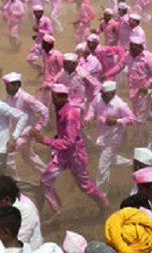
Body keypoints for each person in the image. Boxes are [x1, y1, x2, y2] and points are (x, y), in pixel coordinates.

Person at [31, 85, 108, 219]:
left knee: (85, 186)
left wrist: (45, 140)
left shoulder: (70, 114)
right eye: (52, 98)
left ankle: (103, 203)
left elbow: (69, 142)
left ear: (64, 98)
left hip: (75, 155)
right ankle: (57, 210)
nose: (53, 101)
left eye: (55, 99)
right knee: (45, 180)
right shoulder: (59, 108)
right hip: (62, 154)